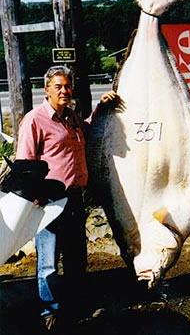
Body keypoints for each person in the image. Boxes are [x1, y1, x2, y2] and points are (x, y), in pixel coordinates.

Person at [15, 65, 118, 331]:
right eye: (58, 86)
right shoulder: (35, 119)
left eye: (67, 86)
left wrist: (100, 109)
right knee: (48, 261)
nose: (64, 91)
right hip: (48, 202)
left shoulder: (71, 116)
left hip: (73, 198)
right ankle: (50, 310)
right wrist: (35, 198)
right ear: (46, 89)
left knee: (76, 257)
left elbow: (85, 130)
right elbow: (25, 163)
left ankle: (75, 303)